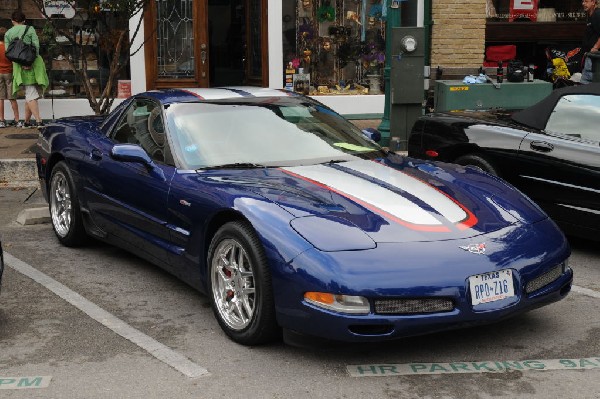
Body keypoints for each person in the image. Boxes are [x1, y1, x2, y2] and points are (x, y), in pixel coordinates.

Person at [4, 10, 48, 128]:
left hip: (19, 66)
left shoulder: (8, 33)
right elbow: (36, 46)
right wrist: (30, 61)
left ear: (12, 21)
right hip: (34, 64)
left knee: (30, 93)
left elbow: (8, 53)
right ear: (24, 20)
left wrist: (20, 62)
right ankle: (39, 121)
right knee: (31, 93)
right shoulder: (30, 29)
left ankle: (27, 122)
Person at [0, 26, 22, 128]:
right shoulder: (9, 47)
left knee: (0, 98)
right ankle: (17, 120)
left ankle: (1, 120)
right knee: (12, 98)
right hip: (9, 72)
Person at [581, 0, 600, 84]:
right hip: (590, 55)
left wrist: (595, 47)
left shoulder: (597, 14)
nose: (584, 4)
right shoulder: (590, 15)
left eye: (586, 1)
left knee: (585, 84)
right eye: (583, 1)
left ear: (593, 2)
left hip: (595, 57)